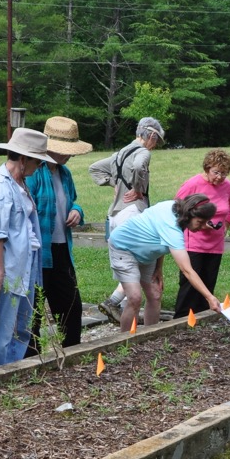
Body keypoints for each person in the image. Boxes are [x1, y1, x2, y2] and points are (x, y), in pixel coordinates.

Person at [0, 128, 52, 371]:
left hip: (22, 266)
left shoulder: (20, 183)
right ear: (23, 158)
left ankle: (10, 375)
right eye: (37, 161)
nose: (39, 166)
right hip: (5, 268)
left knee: (22, 330)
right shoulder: (0, 186)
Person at [88, 116, 165, 323]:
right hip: (133, 214)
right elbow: (139, 166)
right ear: (151, 135)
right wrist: (137, 189)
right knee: (139, 267)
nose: (155, 145)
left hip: (115, 214)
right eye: (156, 140)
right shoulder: (143, 152)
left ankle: (118, 304)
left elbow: (94, 168)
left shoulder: (119, 154)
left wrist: (114, 183)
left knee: (131, 267)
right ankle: (115, 302)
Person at [107, 194, 222, 332]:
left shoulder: (176, 210)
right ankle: (125, 339)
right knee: (135, 298)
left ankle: (150, 336)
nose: (203, 227)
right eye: (200, 222)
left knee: (155, 295)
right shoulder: (172, 226)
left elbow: (161, 239)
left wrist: (158, 268)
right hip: (123, 248)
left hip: (146, 253)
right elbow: (187, 270)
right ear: (189, 214)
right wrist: (209, 297)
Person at [25, 117, 90, 354]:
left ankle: (71, 354)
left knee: (71, 307)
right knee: (33, 311)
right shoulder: (33, 172)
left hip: (62, 250)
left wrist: (77, 211)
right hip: (38, 251)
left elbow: (72, 202)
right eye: (65, 150)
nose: (68, 155)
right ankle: (31, 361)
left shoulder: (65, 174)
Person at [173, 149, 230, 318]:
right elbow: (177, 205)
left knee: (208, 284)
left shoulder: (227, 186)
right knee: (190, 288)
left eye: (224, 173)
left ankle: (203, 320)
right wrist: (196, 222)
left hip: (215, 243)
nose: (219, 177)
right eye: (216, 172)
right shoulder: (193, 184)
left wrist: (228, 221)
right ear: (207, 168)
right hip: (194, 242)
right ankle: (181, 320)